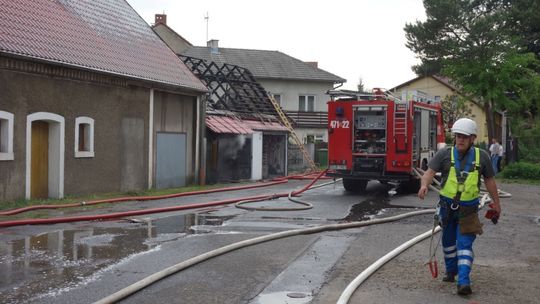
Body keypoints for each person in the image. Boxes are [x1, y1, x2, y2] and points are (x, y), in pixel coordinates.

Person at [418, 118, 502, 296]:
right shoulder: (445, 154)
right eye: (458, 136)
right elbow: (429, 173)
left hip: (468, 211)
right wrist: (424, 185)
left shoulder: (482, 157)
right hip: (447, 209)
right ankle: (451, 272)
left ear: (472, 138)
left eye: (465, 137)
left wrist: (497, 202)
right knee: (448, 243)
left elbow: (490, 181)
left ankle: (463, 282)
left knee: (464, 245)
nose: (461, 140)